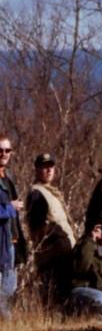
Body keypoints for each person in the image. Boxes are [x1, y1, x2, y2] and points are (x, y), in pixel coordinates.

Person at [25, 154, 77, 305]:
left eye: (51, 167)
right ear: (36, 170)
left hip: (64, 252)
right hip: (52, 255)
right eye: (44, 167)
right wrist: (59, 239)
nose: (48, 170)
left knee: (65, 295)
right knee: (55, 297)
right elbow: (38, 228)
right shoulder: (37, 193)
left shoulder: (52, 193)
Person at [0, 135, 25, 319]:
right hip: (1, 239)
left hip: (11, 239)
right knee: (5, 287)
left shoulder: (8, 177)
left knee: (10, 284)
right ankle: (6, 323)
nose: (4, 154)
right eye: (0, 150)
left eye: (7, 150)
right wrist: (10, 208)